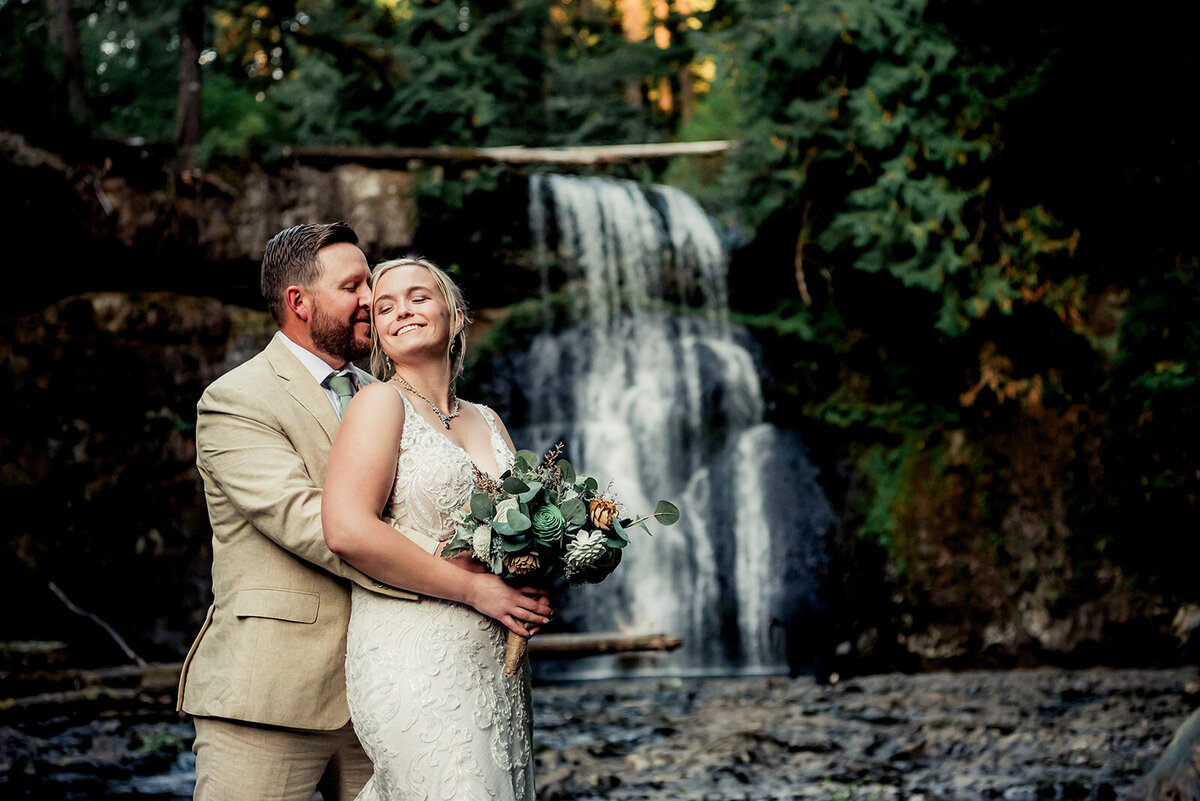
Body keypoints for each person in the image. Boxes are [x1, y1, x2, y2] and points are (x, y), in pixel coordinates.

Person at [178, 224, 549, 801]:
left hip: (407, 681)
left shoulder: (392, 391)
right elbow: (316, 524)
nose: (372, 299)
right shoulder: (238, 398)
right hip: (277, 689)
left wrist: (534, 558)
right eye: (357, 287)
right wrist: (466, 583)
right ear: (299, 302)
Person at [322, 257, 544, 801]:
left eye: (418, 297)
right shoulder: (378, 402)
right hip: (417, 651)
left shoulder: (489, 420)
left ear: (458, 315)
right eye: (385, 306)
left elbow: (523, 527)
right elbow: (347, 529)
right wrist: (476, 587)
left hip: (496, 658)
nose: (401, 312)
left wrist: (541, 565)